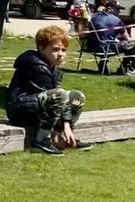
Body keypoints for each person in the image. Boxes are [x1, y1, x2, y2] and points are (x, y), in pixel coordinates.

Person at [5, 25, 85, 156]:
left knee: (77, 96)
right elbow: (55, 98)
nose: (60, 54)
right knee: (59, 95)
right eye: (55, 49)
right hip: (20, 110)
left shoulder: (53, 67)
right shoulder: (36, 66)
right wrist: (64, 123)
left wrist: (67, 125)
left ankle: (67, 136)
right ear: (42, 48)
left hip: (37, 107)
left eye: (63, 50)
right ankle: (41, 140)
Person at [89, 0, 135, 73]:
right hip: (106, 48)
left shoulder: (94, 16)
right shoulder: (117, 20)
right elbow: (127, 38)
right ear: (110, 9)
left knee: (107, 40)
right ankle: (123, 68)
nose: (119, 12)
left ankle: (103, 65)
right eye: (117, 9)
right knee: (134, 44)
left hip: (92, 46)